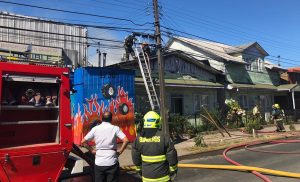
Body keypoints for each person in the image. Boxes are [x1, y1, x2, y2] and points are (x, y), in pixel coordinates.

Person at [81, 111, 129, 182]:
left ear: (102, 118)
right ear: (111, 119)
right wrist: (120, 151)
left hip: (99, 162)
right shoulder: (115, 128)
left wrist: (92, 150)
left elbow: (83, 142)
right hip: (112, 162)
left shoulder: (95, 129)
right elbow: (126, 140)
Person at [132, 111, 178, 182]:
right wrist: (173, 169)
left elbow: (135, 156)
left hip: (147, 178)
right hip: (163, 178)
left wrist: (139, 169)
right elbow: (172, 155)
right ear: (157, 122)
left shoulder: (138, 138)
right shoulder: (164, 137)